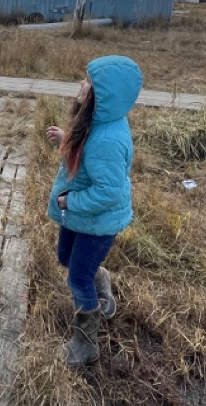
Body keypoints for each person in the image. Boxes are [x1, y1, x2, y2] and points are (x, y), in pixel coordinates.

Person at [45, 55, 143, 368]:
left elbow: (108, 191)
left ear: (104, 94)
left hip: (96, 221)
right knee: (64, 257)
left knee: (77, 278)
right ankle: (101, 282)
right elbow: (88, 153)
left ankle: (86, 343)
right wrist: (66, 140)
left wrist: (69, 202)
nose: (81, 84)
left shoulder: (108, 140)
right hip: (82, 217)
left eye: (88, 81)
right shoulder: (98, 122)